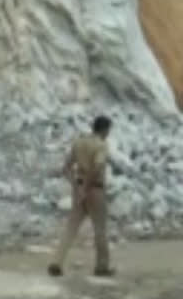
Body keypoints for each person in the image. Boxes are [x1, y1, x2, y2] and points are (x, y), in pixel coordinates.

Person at [48, 115, 114, 277]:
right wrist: (86, 187)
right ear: (104, 129)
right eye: (108, 130)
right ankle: (101, 266)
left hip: (78, 189)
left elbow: (66, 168)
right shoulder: (101, 145)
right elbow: (97, 168)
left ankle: (57, 261)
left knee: (71, 228)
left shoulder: (78, 142)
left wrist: (76, 186)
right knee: (100, 230)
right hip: (95, 190)